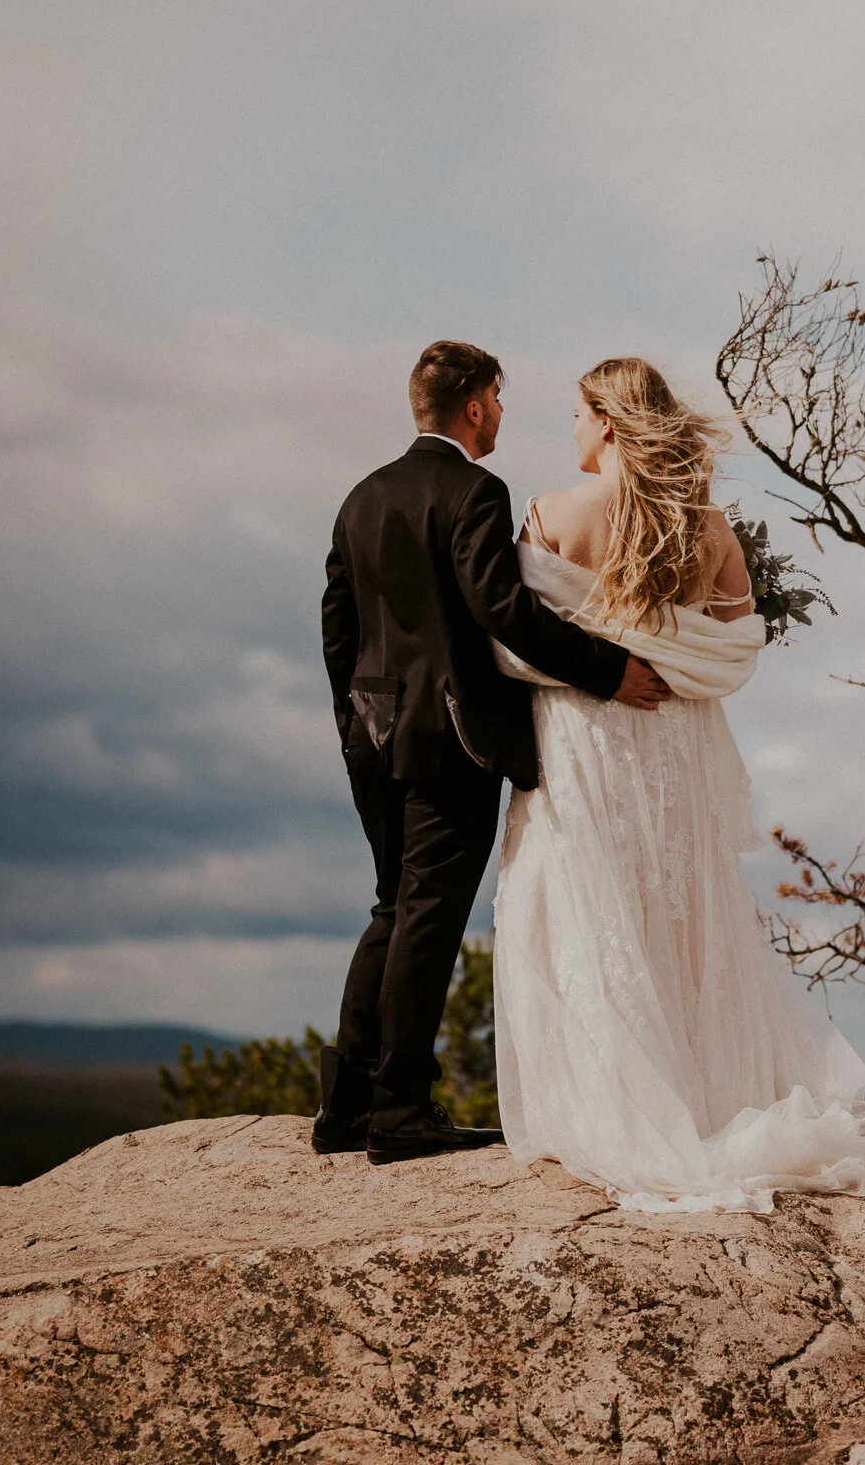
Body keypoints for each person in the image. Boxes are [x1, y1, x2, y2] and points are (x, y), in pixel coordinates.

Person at [492, 356, 865, 1212]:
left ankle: (608, 1117)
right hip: (673, 737)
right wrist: (667, 661)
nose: (568, 428)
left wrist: (600, 664)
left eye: (575, 412)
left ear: (606, 421)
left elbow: (511, 642)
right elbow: (734, 650)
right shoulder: (706, 526)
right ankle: (701, 1105)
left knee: (584, 904)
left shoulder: (547, 513)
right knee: (681, 913)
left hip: (582, 736)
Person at [317, 340, 671, 1166]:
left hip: (372, 736)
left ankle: (347, 1107)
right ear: (474, 405)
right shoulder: (474, 489)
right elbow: (500, 607)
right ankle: (400, 1108)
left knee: (390, 907)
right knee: (428, 916)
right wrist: (608, 670)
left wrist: (352, 720)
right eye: (501, 400)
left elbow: (337, 624)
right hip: (454, 737)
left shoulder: (361, 497)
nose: (506, 415)